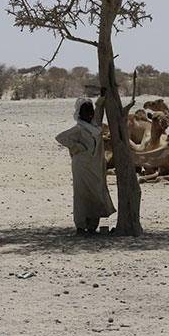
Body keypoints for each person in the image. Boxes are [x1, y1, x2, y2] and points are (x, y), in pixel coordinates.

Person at [55, 88, 116, 235]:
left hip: (96, 165)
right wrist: (78, 147)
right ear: (79, 113)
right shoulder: (79, 128)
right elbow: (60, 137)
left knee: (96, 194)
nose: (89, 113)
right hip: (82, 166)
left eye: (90, 110)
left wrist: (102, 97)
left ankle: (92, 226)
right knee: (82, 195)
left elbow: (99, 108)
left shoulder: (96, 125)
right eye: (85, 110)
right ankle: (81, 227)